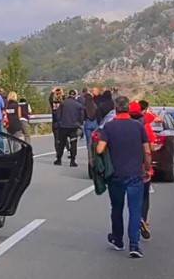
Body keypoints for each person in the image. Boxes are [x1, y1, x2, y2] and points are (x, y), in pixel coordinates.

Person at [95, 96, 152, 259]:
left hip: (115, 175)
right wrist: (147, 168)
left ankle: (118, 240)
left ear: (115, 108)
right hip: (135, 175)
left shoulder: (109, 126)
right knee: (135, 210)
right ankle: (134, 245)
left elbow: (100, 149)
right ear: (128, 108)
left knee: (117, 208)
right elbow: (147, 151)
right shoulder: (138, 126)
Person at [136, 99, 160, 239]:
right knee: (144, 196)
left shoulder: (122, 125)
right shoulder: (145, 126)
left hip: (125, 168)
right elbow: (149, 149)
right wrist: (148, 167)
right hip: (142, 167)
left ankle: (135, 218)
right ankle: (142, 219)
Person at [54, 89, 84, 166]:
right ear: (75, 95)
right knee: (73, 143)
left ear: (69, 95)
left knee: (61, 144)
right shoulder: (78, 105)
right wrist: (79, 124)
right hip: (73, 127)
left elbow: (58, 114)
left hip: (63, 127)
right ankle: (72, 161)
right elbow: (81, 117)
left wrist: (60, 122)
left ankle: (59, 159)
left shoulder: (63, 103)